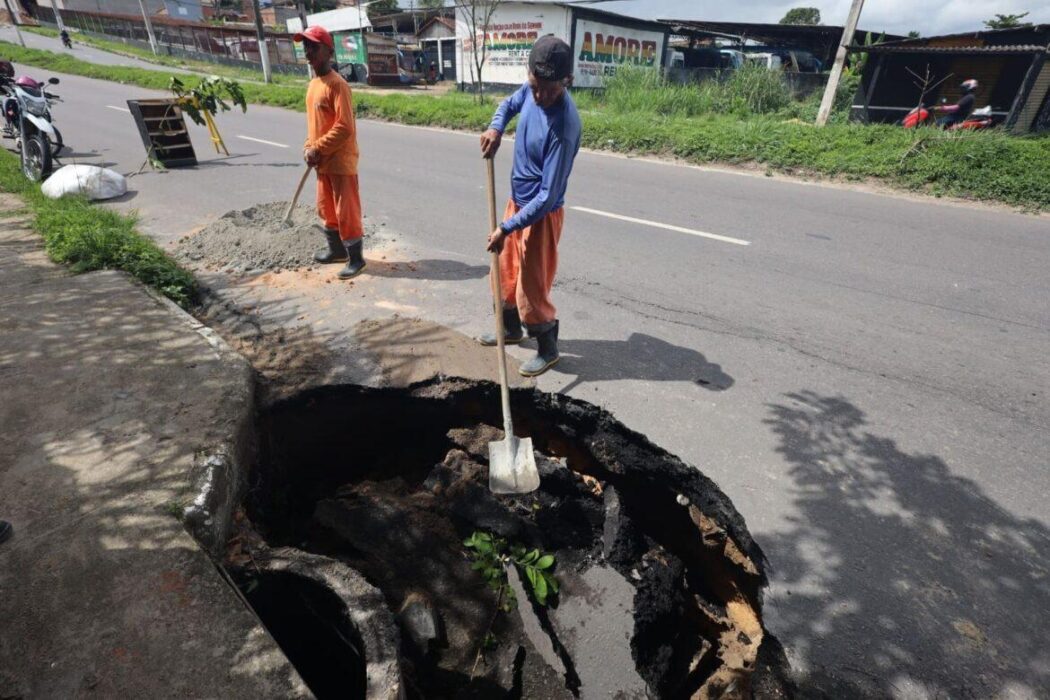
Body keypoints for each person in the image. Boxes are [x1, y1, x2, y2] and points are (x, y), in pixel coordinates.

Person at [478, 36, 582, 377]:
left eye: (548, 90)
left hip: (541, 216)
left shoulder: (564, 126)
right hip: (516, 204)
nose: (539, 97)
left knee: (531, 289)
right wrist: (496, 127)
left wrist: (507, 228)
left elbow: (547, 197)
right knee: (504, 273)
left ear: (566, 81)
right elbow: (509, 105)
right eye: (535, 87)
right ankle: (509, 329)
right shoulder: (530, 89)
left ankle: (548, 349)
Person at [293, 25, 366, 280]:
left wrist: (317, 147)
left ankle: (356, 259)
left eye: (313, 46)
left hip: (341, 161)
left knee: (346, 211)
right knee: (327, 208)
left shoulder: (338, 85)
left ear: (328, 51)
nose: (308, 50)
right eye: (306, 45)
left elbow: (344, 127)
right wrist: (307, 147)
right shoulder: (314, 84)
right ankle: (336, 251)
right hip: (322, 161)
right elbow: (314, 125)